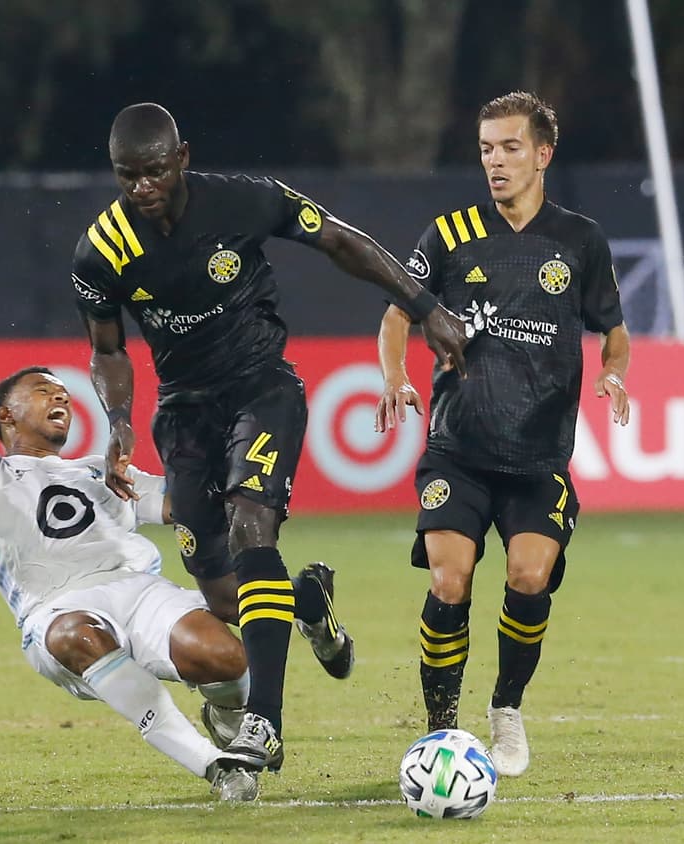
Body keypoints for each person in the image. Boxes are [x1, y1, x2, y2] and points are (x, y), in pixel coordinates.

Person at [70, 102, 469, 777]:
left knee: (254, 526)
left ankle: (265, 725)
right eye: (127, 176)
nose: (141, 187)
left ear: (184, 157)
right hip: (184, 413)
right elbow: (106, 350)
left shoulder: (243, 202)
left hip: (262, 390)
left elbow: (341, 240)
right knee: (224, 594)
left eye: (154, 171)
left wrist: (426, 307)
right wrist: (119, 422)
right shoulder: (100, 251)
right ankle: (308, 604)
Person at [374, 91, 632, 778]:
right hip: (458, 449)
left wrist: (613, 373)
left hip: (537, 455)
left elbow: (613, 328)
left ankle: (506, 708)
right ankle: (438, 731)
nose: (496, 161)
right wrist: (396, 376)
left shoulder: (579, 240)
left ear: (543, 154)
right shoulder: (449, 234)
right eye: (487, 148)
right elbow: (400, 312)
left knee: (529, 575)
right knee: (449, 578)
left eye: (510, 147)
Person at [0, 352, 259, 801]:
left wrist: (226, 470)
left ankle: (226, 714)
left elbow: (183, 505)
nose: (60, 395)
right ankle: (215, 766)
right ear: (6, 413)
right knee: (77, 635)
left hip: (139, 590)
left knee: (224, 656)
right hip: (56, 609)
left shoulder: (96, 470)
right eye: (43, 390)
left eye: (63, 392)